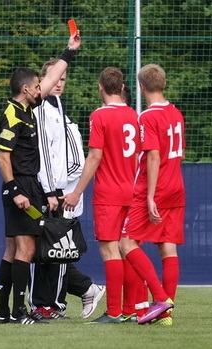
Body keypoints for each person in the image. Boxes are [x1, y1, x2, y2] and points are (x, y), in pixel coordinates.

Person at [0, 30, 81, 325]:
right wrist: (15, 190)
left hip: (28, 185)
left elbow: (53, 75)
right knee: (26, 249)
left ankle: (3, 312)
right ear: (26, 88)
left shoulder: (29, 107)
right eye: (36, 85)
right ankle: (19, 312)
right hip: (21, 186)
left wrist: (69, 52)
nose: (41, 88)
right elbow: (3, 157)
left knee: (12, 249)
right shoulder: (13, 113)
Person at [62, 67, 141, 324]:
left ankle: (114, 311)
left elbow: (95, 156)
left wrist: (76, 192)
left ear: (101, 87)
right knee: (127, 249)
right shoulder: (135, 116)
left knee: (110, 251)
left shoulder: (99, 116)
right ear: (121, 88)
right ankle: (130, 309)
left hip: (109, 193)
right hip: (134, 191)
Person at [28, 58, 105, 321]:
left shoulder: (60, 111)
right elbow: (47, 157)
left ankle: (53, 304)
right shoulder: (41, 110)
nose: (59, 83)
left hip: (62, 193)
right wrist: (52, 189)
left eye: (63, 79)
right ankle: (77, 292)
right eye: (55, 78)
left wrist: (67, 190)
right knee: (47, 249)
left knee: (55, 249)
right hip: (50, 191)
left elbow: (71, 160)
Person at [119, 63, 185, 326]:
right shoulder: (176, 113)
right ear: (164, 84)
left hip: (155, 188)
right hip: (176, 185)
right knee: (167, 248)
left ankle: (160, 298)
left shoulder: (147, 116)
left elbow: (154, 156)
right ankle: (166, 315)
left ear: (142, 87)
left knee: (127, 243)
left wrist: (149, 196)